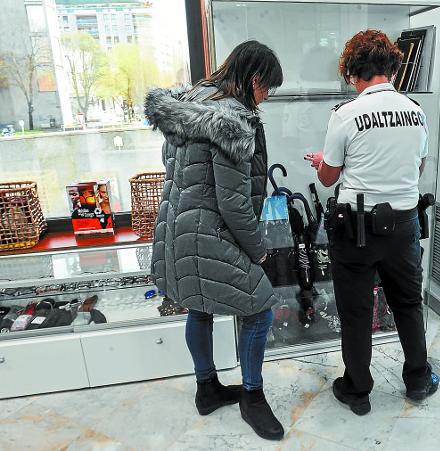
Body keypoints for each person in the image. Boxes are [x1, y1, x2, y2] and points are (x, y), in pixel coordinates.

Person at [144, 41, 285, 441]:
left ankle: (206, 388)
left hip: (175, 229)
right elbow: (234, 203)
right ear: (253, 78)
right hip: (208, 230)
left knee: (199, 305)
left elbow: (173, 168)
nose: (266, 97)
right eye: (267, 88)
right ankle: (252, 398)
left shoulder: (188, 103)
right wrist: (258, 248)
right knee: (259, 310)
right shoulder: (232, 121)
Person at [304, 30, 439, 416]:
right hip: (404, 224)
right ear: (392, 67)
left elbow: (329, 179)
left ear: (352, 73)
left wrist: (324, 164)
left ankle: (358, 390)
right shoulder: (415, 110)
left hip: (356, 227)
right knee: (409, 303)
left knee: (358, 311)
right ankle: (417, 379)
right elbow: (417, 165)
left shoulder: (345, 115)